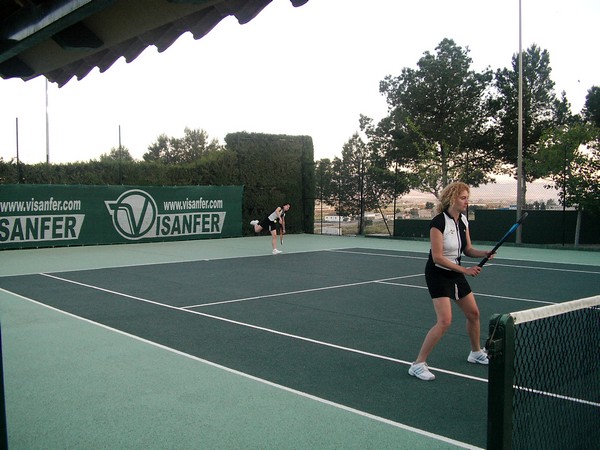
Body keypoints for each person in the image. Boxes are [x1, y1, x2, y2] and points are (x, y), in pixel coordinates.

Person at [408, 182, 494, 381]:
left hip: (455, 272)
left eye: (467, 198)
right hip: (438, 274)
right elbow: (438, 257)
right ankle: (418, 364)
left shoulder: (463, 221)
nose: (467, 201)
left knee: (473, 313)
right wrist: (465, 270)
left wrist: (484, 253)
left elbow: (468, 249)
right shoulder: (438, 223)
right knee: (445, 321)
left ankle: (475, 353)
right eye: (463, 198)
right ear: (452, 198)